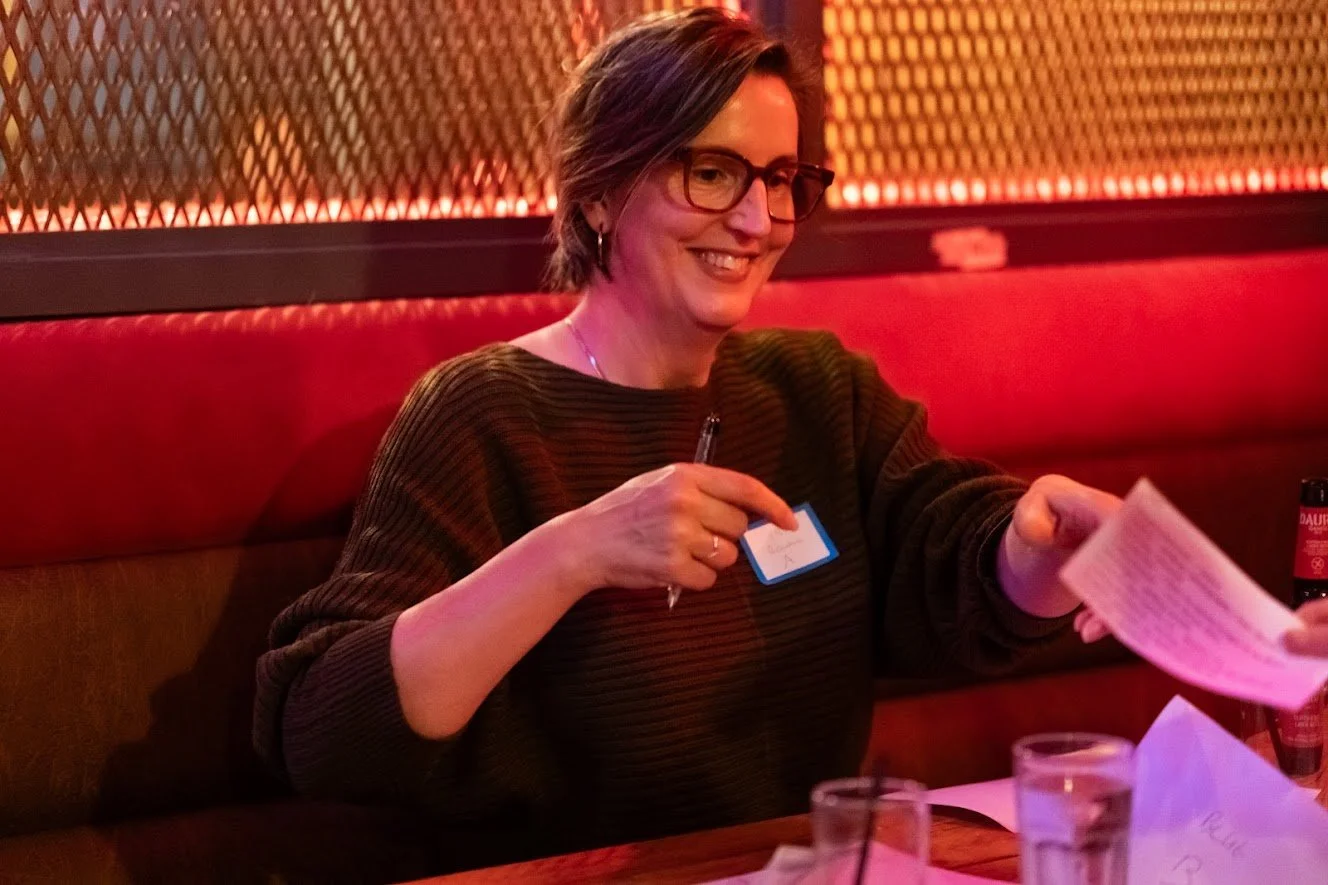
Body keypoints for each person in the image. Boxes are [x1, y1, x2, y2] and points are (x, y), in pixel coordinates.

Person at [253, 7, 1119, 867]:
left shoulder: (817, 389)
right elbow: (324, 730)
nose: (756, 220)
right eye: (712, 172)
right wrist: (575, 552)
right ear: (597, 189)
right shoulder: (481, 410)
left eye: (781, 179)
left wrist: (1037, 550)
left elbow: (953, 570)